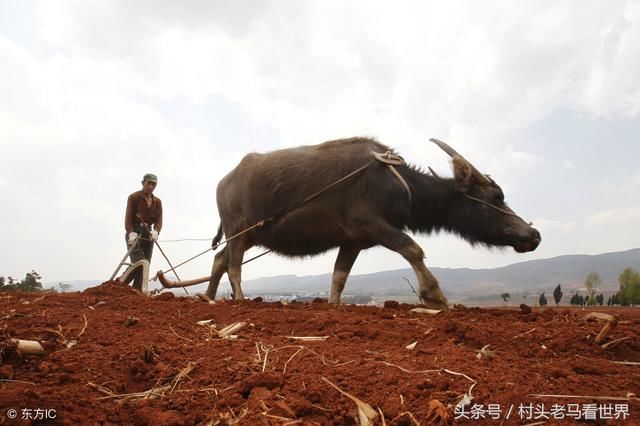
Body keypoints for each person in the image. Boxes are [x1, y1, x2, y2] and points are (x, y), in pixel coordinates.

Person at [124, 173, 163, 289]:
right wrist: (131, 232)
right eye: (149, 183)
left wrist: (156, 231)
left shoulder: (157, 201)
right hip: (135, 232)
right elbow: (128, 217)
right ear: (143, 183)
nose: (151, 186)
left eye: (153, 184)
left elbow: (159, 219)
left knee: (146, 265)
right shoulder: (134, 197)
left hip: (149, 234)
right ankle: (118, 284)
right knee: (139, 264)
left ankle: (137, 290)